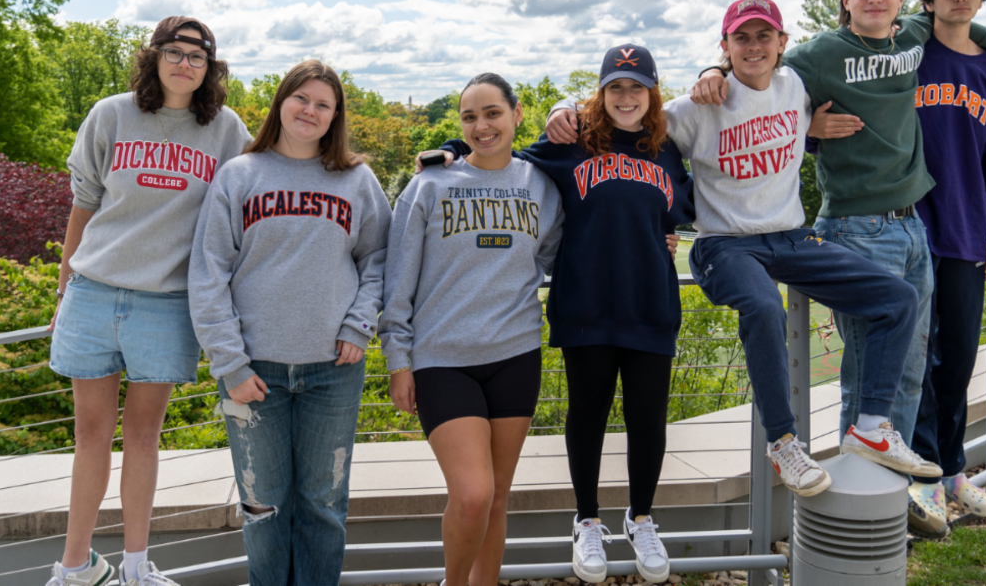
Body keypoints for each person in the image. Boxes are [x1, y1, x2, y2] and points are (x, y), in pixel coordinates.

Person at [545, 0, 943, 498]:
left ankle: (870, 426)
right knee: (761, 306)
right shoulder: (694, 108)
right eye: (741, 38)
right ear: (725, 46)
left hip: (791, 237)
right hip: (726, 245)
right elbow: (624, 116)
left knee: (898, 299)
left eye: (764, 37)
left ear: (781, 44)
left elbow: (855, 80)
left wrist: (812, 128)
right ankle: (783, 442)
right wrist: (564, 110)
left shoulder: (795, 86)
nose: (753, 47)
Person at [692, 0, 986, 452]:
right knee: (868, 373)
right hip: (856, 226)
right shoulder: (818, 55)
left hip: (914, 226)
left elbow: (960, 19)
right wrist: (714, 74)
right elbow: (755, 71)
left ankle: (896, 497)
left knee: (909, 374)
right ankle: (857, 502)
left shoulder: (912, 35)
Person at [424, 45, 694, 584]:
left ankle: (641, 517)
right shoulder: (571, 144)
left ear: (651, 93)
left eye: (635, 88)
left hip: (649, 305)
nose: (625, 97)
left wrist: (670, 236)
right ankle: (587, 519)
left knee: (648, 419)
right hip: (586, 307)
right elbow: (501, 154)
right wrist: (453, 148)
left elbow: (684, 211)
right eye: (614, 87)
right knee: (587, 415)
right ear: (601, 92)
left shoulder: (665, 152)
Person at [47, 17, 252, 586]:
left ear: (210, 68)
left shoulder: (225, 130)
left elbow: (250, 196)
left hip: (166, 303)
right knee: (90, 436)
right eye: (175, 51)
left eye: (197, 56)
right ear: (154, 56)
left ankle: (136, 568)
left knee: (142, 437)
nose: (185, 63)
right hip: (94, 292)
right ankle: (75, 568)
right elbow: (84, 204)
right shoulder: (111, 114)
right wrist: (64, 289)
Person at [187, 60, 390, 586]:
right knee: (261, 505)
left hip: (333, 370)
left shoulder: (357, 180)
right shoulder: (239, 175)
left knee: (323, 503)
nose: (310, 110)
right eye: (302, 98)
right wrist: (228, 363)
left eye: (324, 104)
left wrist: (358, 325)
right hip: (252, 374)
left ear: (335, 117)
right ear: (281, 102)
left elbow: (381, 260)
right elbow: (208, 273)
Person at [380, 73, 564, 586]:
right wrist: (399, 357)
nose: (481, 126)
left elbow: (562, 258)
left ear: (516, 113)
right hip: (442, 358)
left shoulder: (541, 186)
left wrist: (654, 242)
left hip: (516, 355)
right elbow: (399, 281)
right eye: (469, 117)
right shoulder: (429, 185)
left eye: (492, 113)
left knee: (499, 496)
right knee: (473, 494)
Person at [895, 0, 986, 538]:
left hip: (968, 232)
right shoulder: (909, 54)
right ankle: (921, 476)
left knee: (958, 362)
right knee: (915, 358)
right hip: (910, 230)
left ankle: (950, 472)